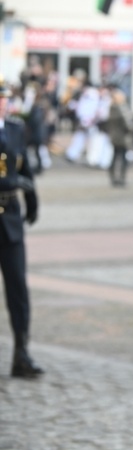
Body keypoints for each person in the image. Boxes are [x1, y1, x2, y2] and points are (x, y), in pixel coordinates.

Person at [0, 79, 42, 378]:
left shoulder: (14, 128)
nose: (3, 102)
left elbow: (22, 165)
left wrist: (32, 198)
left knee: (18, 289)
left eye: (5, 98)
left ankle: (21, 353)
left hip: (10, 219)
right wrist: (12, 182)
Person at [100, 86, 133, 187]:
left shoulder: (111, 108)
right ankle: (121, 178)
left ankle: (113, 177)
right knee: (123, 159)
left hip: (114, 137)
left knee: (115, 157)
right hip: (123, 137)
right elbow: (128, 124)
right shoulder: (122, 108)